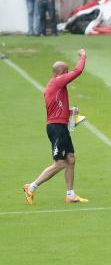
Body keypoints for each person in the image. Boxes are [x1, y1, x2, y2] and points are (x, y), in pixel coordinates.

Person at [23, 49, 89, 204]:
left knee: (71, 159)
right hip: (56, 129)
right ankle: (31, 187)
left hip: (60, 126)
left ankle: (70, 195)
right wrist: (83, 56)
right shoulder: (58, 82)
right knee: (60, 163)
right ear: (61, 73)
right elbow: (78, 70)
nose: (68, 74)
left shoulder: (54, 86)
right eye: (66, 71)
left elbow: (56, 110)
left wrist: (70, 112)